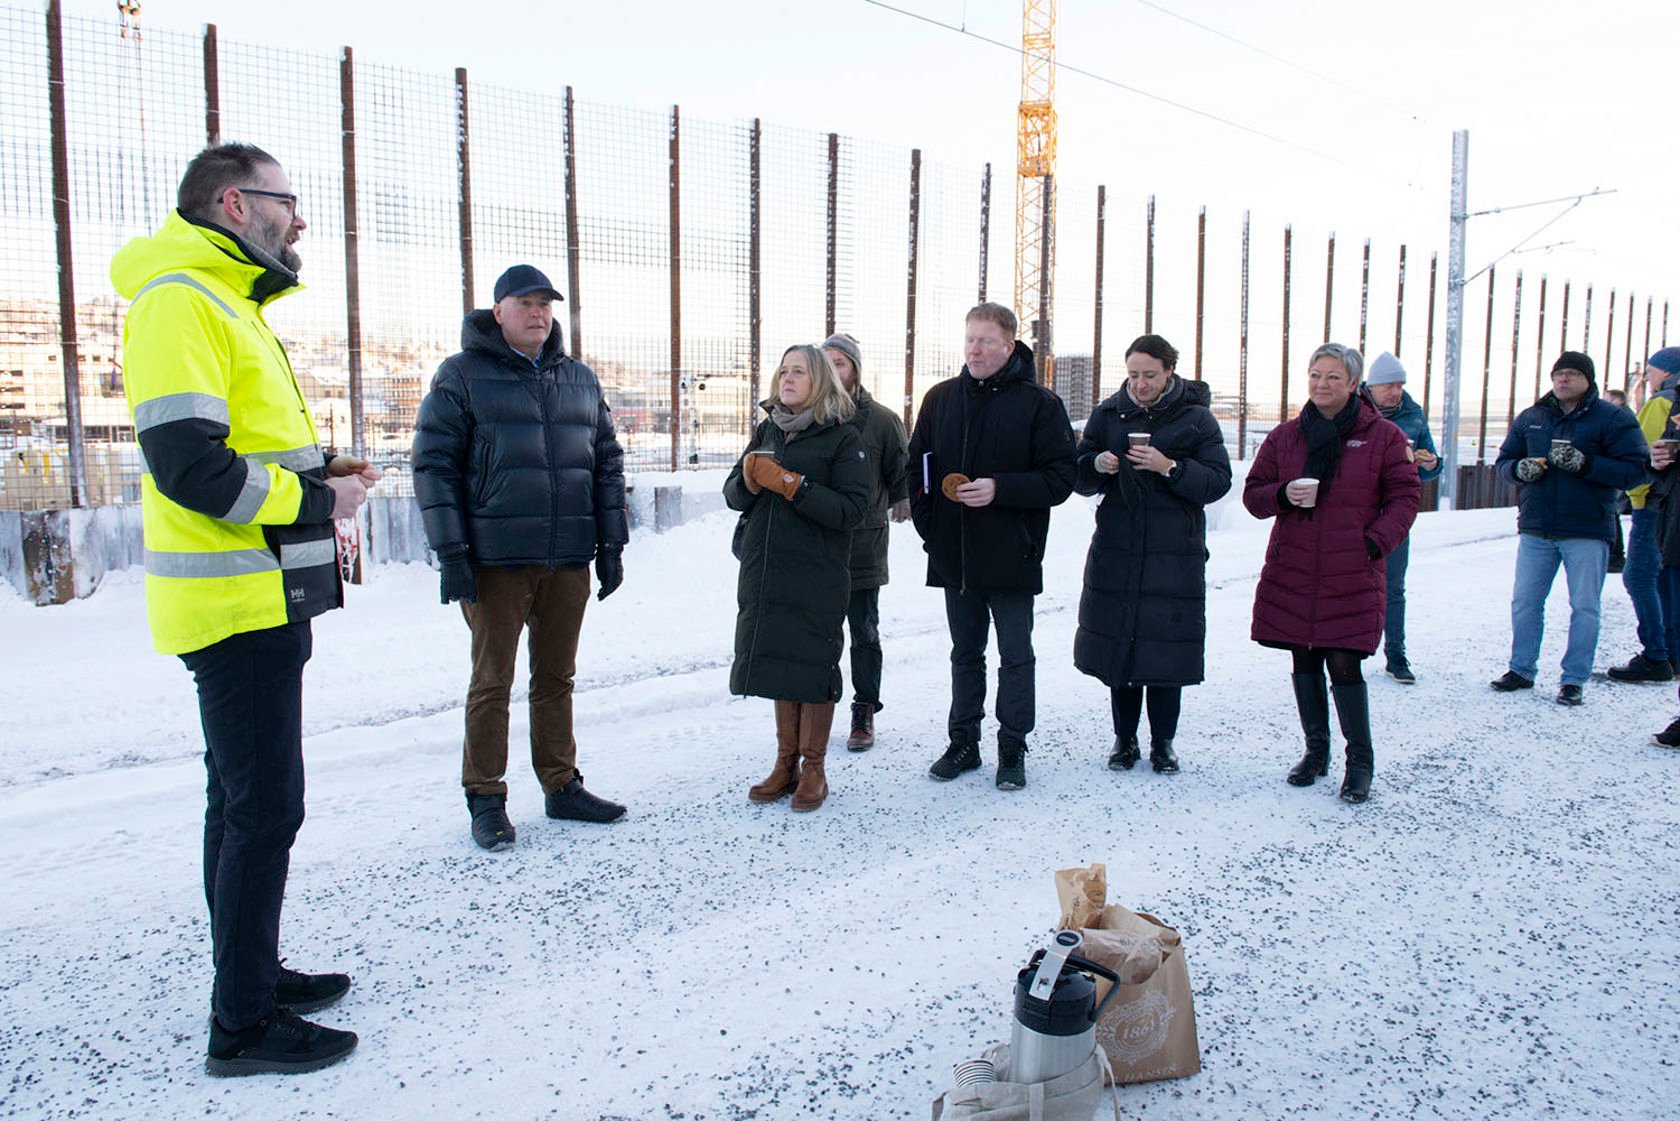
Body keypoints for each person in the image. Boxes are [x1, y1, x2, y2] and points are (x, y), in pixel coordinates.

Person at [112, 142, 374, 1074]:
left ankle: (249, 972)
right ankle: (243, 1025)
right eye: (287, 201)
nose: (299, 219)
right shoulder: (181, 299)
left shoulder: (222, 299)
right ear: (235, 203)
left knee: (240, 801)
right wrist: (315, 505)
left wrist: (320, 469)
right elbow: (190, 467)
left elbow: (245, 441)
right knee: (266, 809)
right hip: (233, 602)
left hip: (258, 593)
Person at [413, 264, 629, 852]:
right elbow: (433, 467)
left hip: (566, 560)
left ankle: (561, 785)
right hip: (495, 562)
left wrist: (611, 545)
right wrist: (452, 550)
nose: (538, 313)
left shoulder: (579, 380)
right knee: (492, 681)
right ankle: (485, 796)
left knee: (556, 677)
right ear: (498, 311)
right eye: (525, 302)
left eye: (545, 304)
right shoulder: (461, 376)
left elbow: (605, 465)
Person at [907, 302, 1077, 790]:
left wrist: (1001, 488)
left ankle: (1012, 745)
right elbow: (917, 467)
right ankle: (963, 741)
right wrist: (930, 529)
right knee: (965, 653)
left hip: (1011, 553)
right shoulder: (940, 399)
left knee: (1016, 655)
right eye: (969, 339)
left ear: (1009, 345)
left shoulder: (1039, 404)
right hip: (953, 553)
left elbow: (1061, 478)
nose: (975, 349)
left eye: (985, 341)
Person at [1244, 343, 1419, 804]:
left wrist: (1374, 542)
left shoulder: (1382, 437)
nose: (1322, 385)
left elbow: (1405, 497)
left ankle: (1359, 762)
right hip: (1296, 564)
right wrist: (1283, 494)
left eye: (1333, 377)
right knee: (1302, 657)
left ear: (1354, 385)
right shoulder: (1286, 436)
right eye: (1315, 375)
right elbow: (1254, 495)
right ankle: (1315, 752)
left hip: (1351, 567)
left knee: (1344, 661)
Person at [1072, 334, 1230, 774]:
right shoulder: (1108, 414)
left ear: (1169, 373)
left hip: (1173, 553)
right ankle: (1124, 741)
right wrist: (1097, 465)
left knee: (1165, 651)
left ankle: (1163, 743)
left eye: (1149, 375)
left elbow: (1218, 481)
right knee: (1120, 648)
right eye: (1133, 375)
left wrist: (1170, 467)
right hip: (1118, 549)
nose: (1140, 384)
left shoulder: (1196, 419)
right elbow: (1077, 474)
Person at [725, 345, 870, 812]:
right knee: (779, 663)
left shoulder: (843, 438)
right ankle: (784, 763)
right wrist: (749, 480)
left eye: (799, 372)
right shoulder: (768, 430)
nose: (787, 379)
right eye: (783, 370)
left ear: (821, 381)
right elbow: (733, 494)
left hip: (816, 572)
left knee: (812, 665)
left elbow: (852, 509)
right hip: (766, 569)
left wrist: (792, 484)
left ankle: (814, 769)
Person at [1490, 352, 1648, 705]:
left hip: (1587, 529)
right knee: (1525, 602)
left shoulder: (1613, 419)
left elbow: (1636, 470)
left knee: (1585, 606)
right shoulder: (1532, 417)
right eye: (1558, 374)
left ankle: (1573, 679)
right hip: (1536, 526)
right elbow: (1503, 462)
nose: (1563, 380)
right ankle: (1521, 669)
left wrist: (1586, 464)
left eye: (1572, 374)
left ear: (1588, 379)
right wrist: (1520, 470)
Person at [822, 332, 909, 751]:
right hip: (816, 544)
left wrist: (874, 508)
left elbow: (899, 477)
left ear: (855, 369)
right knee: (818, 632)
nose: (834, 370)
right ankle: (818, 706)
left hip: (862, 544)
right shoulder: (810, 415)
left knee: (863, 631)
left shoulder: (882, 420)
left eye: (840, 362)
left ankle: (864, 708)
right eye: (827, 362)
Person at [1361, 352, 1442, 684]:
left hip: (1395, 513)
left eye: (1400, 385)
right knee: (1343, 584)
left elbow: (1430, 463)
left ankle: (1396, 655)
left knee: (1392, 588)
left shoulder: (1414, 415)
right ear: (1371, 386)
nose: (1396, 391)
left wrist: (1430, 465)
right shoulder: (1353, 408)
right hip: (1355, 510)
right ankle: (1340, 651)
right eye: (1389, 385)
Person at [1606, 352, 1680, 682]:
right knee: (1665, 578)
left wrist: (1634, 494)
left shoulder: (1663, 401)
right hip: (1669, 505)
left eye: (1649, 371)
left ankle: (1657, 654)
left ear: (1665, 371)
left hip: (1655, 504)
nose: (1647, 378)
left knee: (1641, 577)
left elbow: (1644, 454)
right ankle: (1670, 652)